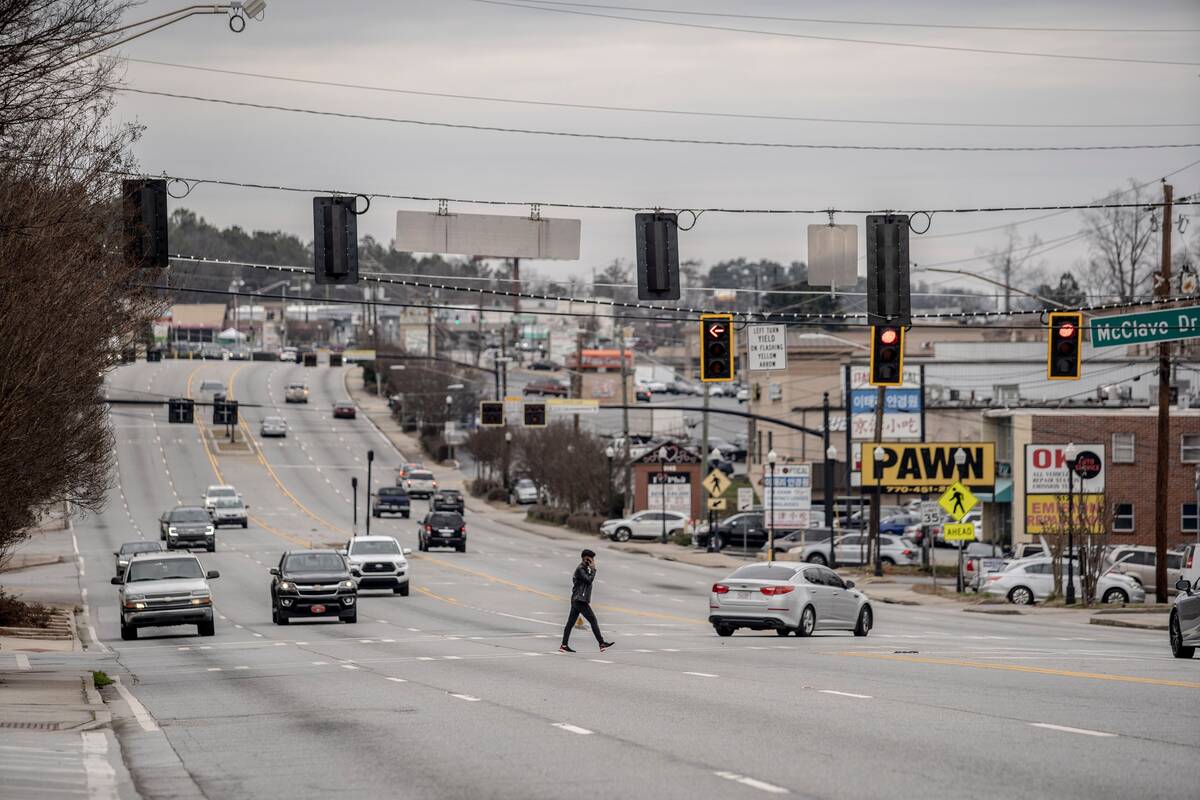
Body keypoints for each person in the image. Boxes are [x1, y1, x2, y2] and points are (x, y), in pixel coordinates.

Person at [560, 549, 613, 653]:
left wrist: (590, 568)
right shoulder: (580, 569)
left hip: (577, 600)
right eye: (591, 558)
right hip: (580, 600)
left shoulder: (584, 568)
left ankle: (564, 645)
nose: (593, 560)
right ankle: (602, 643)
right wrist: (593, 569)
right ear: (586, 558)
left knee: (570, 624)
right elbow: (589, 580)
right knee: (593, 620)